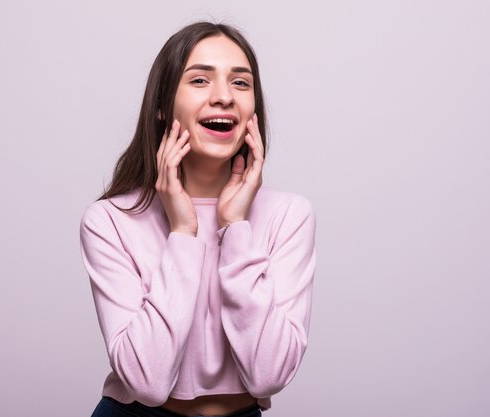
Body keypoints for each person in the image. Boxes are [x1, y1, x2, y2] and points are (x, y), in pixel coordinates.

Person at [79, 21, 317, 417]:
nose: (224, 97)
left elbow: (269, 375)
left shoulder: (289, 216)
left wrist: (236, 227)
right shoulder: (109, 221)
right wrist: (182, 233)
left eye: (241, 84)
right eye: (200, 80)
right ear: (161, 105)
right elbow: (147, 382)